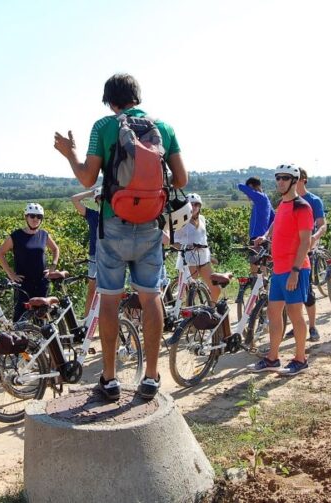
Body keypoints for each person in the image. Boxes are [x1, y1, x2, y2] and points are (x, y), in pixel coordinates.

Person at [53, 73, 188, 401]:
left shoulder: (104, 127)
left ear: (110, 101)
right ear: (136, 97)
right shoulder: (164, 128)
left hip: (113, 224)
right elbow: (182, 179)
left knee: (110, 299)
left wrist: (69, 153)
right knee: (150, 295)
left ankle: (110, 379)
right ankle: (152, 377)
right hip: (151, 226)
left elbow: (87, 178)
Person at [248, 164, 313, 377]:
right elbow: (276, 223)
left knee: (295, 314)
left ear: (294, 181)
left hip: (295, 269)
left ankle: (300, 359)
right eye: (278, 178)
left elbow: (306, 242)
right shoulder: (283, 204)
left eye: (285, 178)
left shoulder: (302, 206)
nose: (280, 182)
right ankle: (273, 358)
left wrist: (295, 270)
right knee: (274, 313)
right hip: (279, 269)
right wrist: (265, 236)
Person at [284, 168, 327, 342]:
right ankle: (297, 325)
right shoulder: (288, 200)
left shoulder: (313, 201)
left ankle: (312, 327)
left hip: (307, 250)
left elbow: (323, 224)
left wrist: (315, 237)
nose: (294, 181)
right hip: (290, 252)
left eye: (297, 178)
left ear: (304, 180)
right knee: (292, 291)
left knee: (307, 292)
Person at [0, 202, 60, 322]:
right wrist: (11, 274)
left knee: (41, 316)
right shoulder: (16, 236)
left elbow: (55, 249)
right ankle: (18, 339)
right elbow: (0, 253)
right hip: (23, 283)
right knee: (20, 315)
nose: (35, 219)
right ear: (26, 217)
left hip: (41, 281)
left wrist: (53, 266)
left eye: (39, 217)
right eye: (32, 216)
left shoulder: (44, 234)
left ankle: (40, 340)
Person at [173, 193, 221, 302]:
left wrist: (210, 256)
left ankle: (211, 312)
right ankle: (185, 316)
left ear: (200, 206)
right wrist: (186, 246)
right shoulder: (181, 221)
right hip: (189, 258)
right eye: (191, 204)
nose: (194, 207)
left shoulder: (202, 219)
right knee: (190, 293)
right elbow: (174, 242)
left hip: (203, 258)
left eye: (196, 205)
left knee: (216, 289)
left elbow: (203, 239)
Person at [70, 187, 102, 316]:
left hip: (112, 256)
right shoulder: (93, 216)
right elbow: (74, 199)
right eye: (100, 198)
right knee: (92, 290)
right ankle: (87, 321)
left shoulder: (117, 216)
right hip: (95, 256)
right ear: (96, 201)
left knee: (114, 291)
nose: (102, 200)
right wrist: (92, 192)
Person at [237, 177, 275, 274]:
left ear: (256, 188)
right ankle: (264, 288)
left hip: (257, 238)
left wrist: (247, 188)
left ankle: (257, 287)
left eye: (250, 190)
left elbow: (240, 186)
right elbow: (273, 218)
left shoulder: (260, 197)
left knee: (254, 266)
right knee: (262, 265)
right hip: (263, 238)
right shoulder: (264, 201)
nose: (248, 195)